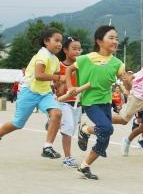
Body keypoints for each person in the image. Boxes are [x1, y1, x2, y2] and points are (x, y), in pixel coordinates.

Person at [66, 25, 129, 180]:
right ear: (99, 41)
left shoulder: (117, 63)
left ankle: (84, 166)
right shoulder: (85, 58)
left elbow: (125, 81)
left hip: (106, 103)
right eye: (111, 38)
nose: (115, 41)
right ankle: (86, 130)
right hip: (90, 102)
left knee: (104, 138)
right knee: (107, 128)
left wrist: (127, 81)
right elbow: (69, 70)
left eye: (117, 38)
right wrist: (70, 87)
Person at [0, 28, 64, 159]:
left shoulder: (55, 60)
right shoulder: (42, 55)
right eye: (56, 40)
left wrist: (61, 88)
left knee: (57, 114)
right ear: (46, 41)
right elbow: (39, 75)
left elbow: (57, 79)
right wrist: (59, 79)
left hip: (44, 93)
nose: (59, 44)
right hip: (28, 92)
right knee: (17, 124)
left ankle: (47, 147)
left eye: (61, 42)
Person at [55, 35, 82, 167]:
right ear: (65, 50)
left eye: (79, 49)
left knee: (71, 130)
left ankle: (53, 123)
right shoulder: (59, 66)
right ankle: (67, 158)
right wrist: (69, 75)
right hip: (63, 102)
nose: (78, 52)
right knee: (69, 128)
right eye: (74, 49)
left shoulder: (82, 66)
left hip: (78, 103)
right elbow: (59, 91)